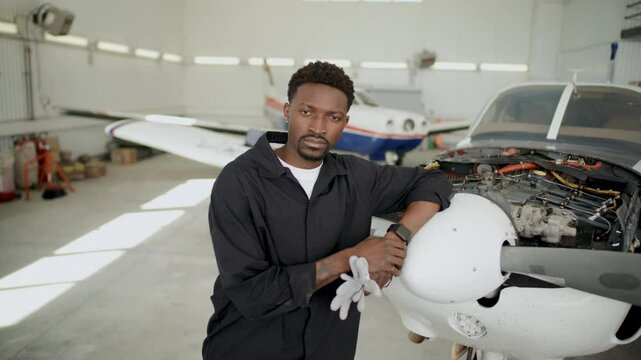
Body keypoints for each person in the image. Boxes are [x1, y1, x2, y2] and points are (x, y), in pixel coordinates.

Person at [203, 61, 453, 360]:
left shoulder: (358, 177)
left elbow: (434, 179)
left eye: (332, 117)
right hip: (248, 348)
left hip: (330, 349)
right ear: (287, 111)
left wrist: (395, 240)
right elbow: (253, 295)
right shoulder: (239, 182)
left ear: (344, 122)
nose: (318, 128)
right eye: (307, 112)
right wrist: (352, 258)